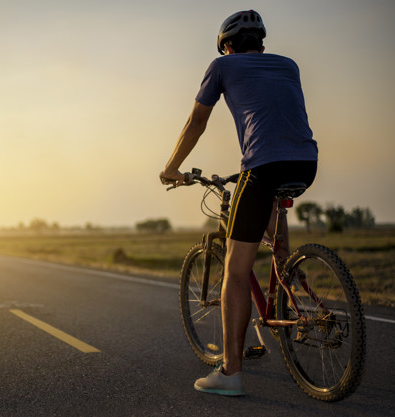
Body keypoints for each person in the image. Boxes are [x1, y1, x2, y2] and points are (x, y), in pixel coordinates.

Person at [159, 10, 318, 396]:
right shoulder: (289, 65)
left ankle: (230, 373)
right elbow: (276, 116)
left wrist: (171, 167)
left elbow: (197, 121)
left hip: (262, 166)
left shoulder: (222, 66)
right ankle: (284, 287)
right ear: (260, 43)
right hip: (305, 162)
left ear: (227, 46)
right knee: (272, 237)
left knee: (234, 269)